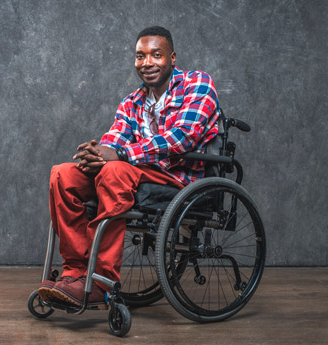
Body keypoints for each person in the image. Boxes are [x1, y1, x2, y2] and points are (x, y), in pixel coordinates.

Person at [37, 26, 220, 308]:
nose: (147, 63)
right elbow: (114, 141)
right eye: (140, 56)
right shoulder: (132, 102)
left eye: (156, 55)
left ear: (172, 57)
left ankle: (100, 281)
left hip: (177, 178)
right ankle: (74, 272)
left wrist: (120, 154)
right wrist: (96, 153)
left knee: (114, 170)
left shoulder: (197, 84)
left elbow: (182, 138)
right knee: (63, 174)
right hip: (135, 173)